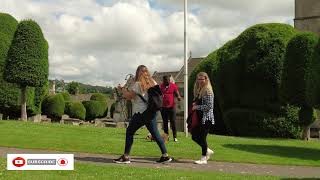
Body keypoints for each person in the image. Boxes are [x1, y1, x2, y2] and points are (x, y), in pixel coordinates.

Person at [113, 65, 173, 164]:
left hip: (141, 113)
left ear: (138, 73)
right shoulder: (153, 82)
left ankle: (126, 156)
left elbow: (129, 97)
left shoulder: (138, 84)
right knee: (156, 134)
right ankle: (165, 156)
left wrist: (122, 89)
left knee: (129, 132)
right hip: (151, 111)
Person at [190, 72, 215, 165]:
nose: (200, 81)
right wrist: (195, 104)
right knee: (194, 136)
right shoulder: (200, 89)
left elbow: (209, 106)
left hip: (207, 118)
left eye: (202, 79)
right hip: (200, 118)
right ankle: (207, 150)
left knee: (202, 138)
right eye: (199, 79)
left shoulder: (208, 90)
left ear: (206, 79)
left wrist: (197, 107)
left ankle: (204, 158)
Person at [160, 75, 181, 142]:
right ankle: (166, 137)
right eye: (165, 80)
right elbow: (157, 94)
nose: (167, 81)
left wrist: (178, 96)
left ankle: (175, 137)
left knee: (173, 122)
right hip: (163, 107)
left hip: (172, 107)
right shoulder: (161, 86)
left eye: (168, 80)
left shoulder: (173, 85)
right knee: (165, 122)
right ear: (163, 81)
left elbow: (177, 92)